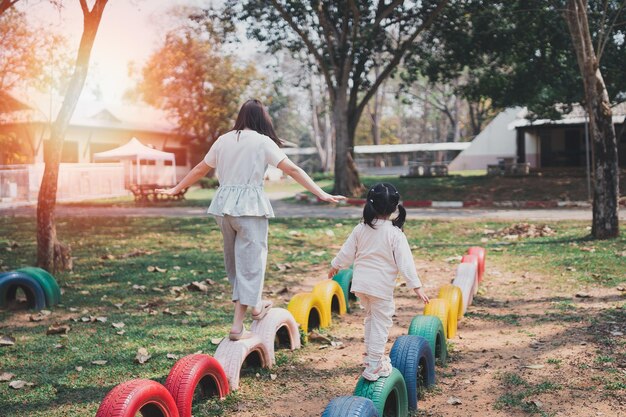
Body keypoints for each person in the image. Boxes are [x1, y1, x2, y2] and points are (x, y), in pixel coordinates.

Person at [158, 99, 344, 340]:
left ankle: (255, 307)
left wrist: (175, 189)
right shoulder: (262, 141)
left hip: (223, 208)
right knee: (252, 265)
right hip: (249, 208)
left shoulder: (223, 140)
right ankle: (237, 327)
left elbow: (200, 170)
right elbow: (293, 170)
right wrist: (321, 193)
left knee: (235, 264)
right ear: (261, 119)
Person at [328, 183, 429, 381]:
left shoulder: (361, 228)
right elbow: (405, 263)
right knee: (382, 322)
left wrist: (335, 265)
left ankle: (369, 358)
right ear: (394, 207)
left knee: (371, 318)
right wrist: (416, 286)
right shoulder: (395, 234)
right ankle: (374, 364)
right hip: (380, 288)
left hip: (361, 286)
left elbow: (346, 252)